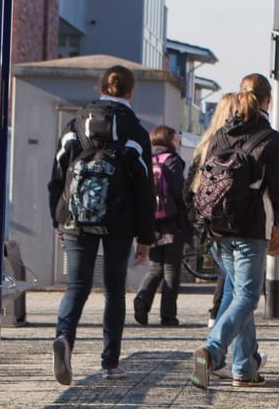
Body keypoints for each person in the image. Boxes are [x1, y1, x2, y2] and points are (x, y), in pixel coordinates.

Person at [47, 64, 154, 383]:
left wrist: (59, 219)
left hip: (76, 219)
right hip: (119, 222)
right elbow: (145, 189)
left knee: (77, 287)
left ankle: (64, 338)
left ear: (101, 89)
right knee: (113, 289)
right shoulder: (135, 131)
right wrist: (145, 236)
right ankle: (110, 363)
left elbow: (57, 176)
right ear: (130, 92)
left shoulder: (75, 125)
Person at [189, 77, 279, 389]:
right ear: (268, 99)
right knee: (248, 297)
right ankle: (211, 350)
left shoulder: (220, 135)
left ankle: (244, 367)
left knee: (237, 294)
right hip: (252, 227)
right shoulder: (269, 139)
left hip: (218, 227)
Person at [133, 125, 188, 326]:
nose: (177, 142)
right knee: (172, 269)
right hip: (172, 224)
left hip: (151, 223)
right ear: (169, 140)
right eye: (176, 139)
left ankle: (142, 298)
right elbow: (179, 192)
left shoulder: (146, 160)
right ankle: (168, 315)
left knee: (155, 268)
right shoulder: (172, 161)